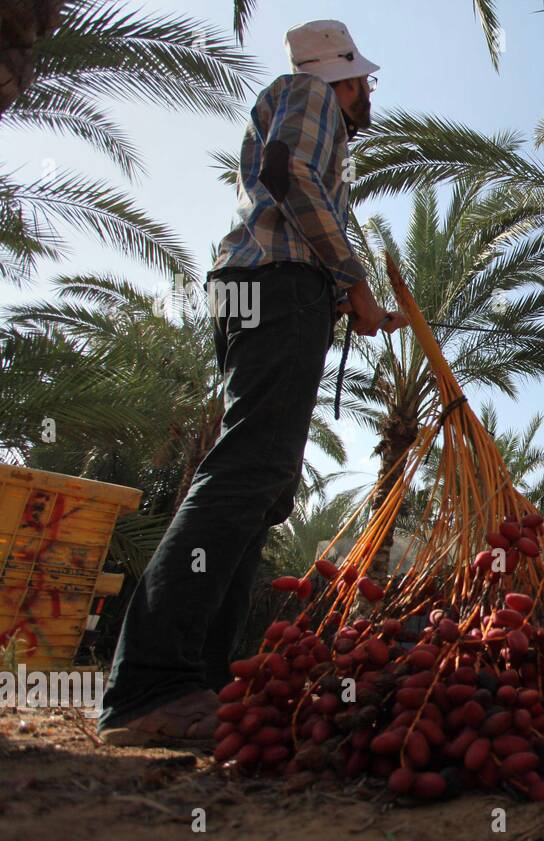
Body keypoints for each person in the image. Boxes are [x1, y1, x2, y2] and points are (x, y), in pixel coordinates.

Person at [98, 20, 407, 746]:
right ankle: (151, 685)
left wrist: (343, 299)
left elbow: (285, 187)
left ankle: (198, 684)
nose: (368, 95)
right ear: (345, 76)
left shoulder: (299, 99)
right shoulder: (311, 91)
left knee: (263, 484)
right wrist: (353, 282)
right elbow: (289, 174)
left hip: (258, 289)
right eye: (364, 81)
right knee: (248, 469)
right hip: (276, 289)